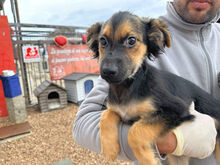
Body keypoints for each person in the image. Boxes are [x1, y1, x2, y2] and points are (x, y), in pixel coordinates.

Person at [73, 0, 220, 164]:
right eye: (104, 42)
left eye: (130, 42)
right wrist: (170, 140)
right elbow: (82, 125)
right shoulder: (142, 31)